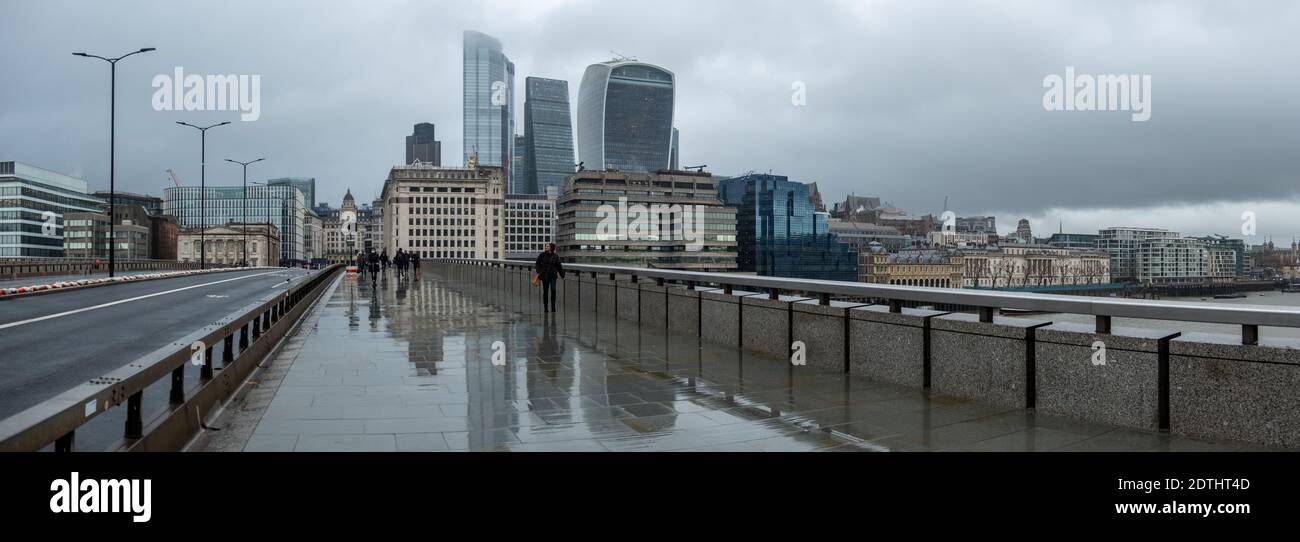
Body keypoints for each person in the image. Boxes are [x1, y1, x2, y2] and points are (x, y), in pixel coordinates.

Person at [534, 243, 564, 312]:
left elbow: (559, 266)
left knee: (553, 290)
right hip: (544, 276)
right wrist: (539, 271)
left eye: (548, 246)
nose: (546, 247)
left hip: (553, 276)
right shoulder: (542, 255)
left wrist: (562, 275)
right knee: (545, 292)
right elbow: (537, 263)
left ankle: (553, 307)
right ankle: (546, 307)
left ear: (551, 247)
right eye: (546, 246)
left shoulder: (556, 256)